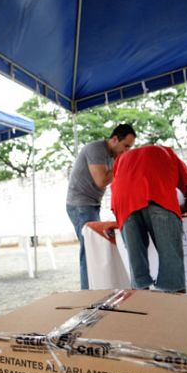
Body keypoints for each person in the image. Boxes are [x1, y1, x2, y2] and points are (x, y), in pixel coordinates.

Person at [111, 146, 187, 292]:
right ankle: (175, 307)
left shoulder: (121, 158)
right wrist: (181, 209)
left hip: (123, 203)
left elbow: (117, 185)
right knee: (171, 266)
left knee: (137, 269)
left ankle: (143, 304)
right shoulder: (168, 153)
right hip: (157, 197)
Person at [66, 124, 136, 290]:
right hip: (80, 205)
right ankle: (87, 293)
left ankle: (94, 289)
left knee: (93, 249)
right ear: (114, 139)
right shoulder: (96, 149)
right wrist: (122, 164)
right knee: (89, 251)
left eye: (130, 147)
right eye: (125, 146)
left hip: (91, 205)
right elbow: (102, 180)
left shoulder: (113, 155)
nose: (127, 151)